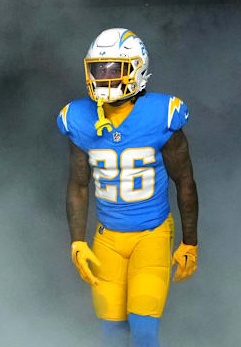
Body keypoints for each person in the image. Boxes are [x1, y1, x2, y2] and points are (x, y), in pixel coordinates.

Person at [56, 28, 198, 347]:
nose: (103, 78)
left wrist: (190, 242)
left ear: (137, 69)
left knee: (144, 328)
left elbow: (185, 182)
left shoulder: (161, 115)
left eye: (113, 69)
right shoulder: (79, 118)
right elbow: (79, 185)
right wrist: (77, 241)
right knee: (112, 331)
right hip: (108, 238)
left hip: (152, 233)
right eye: (98, 69)